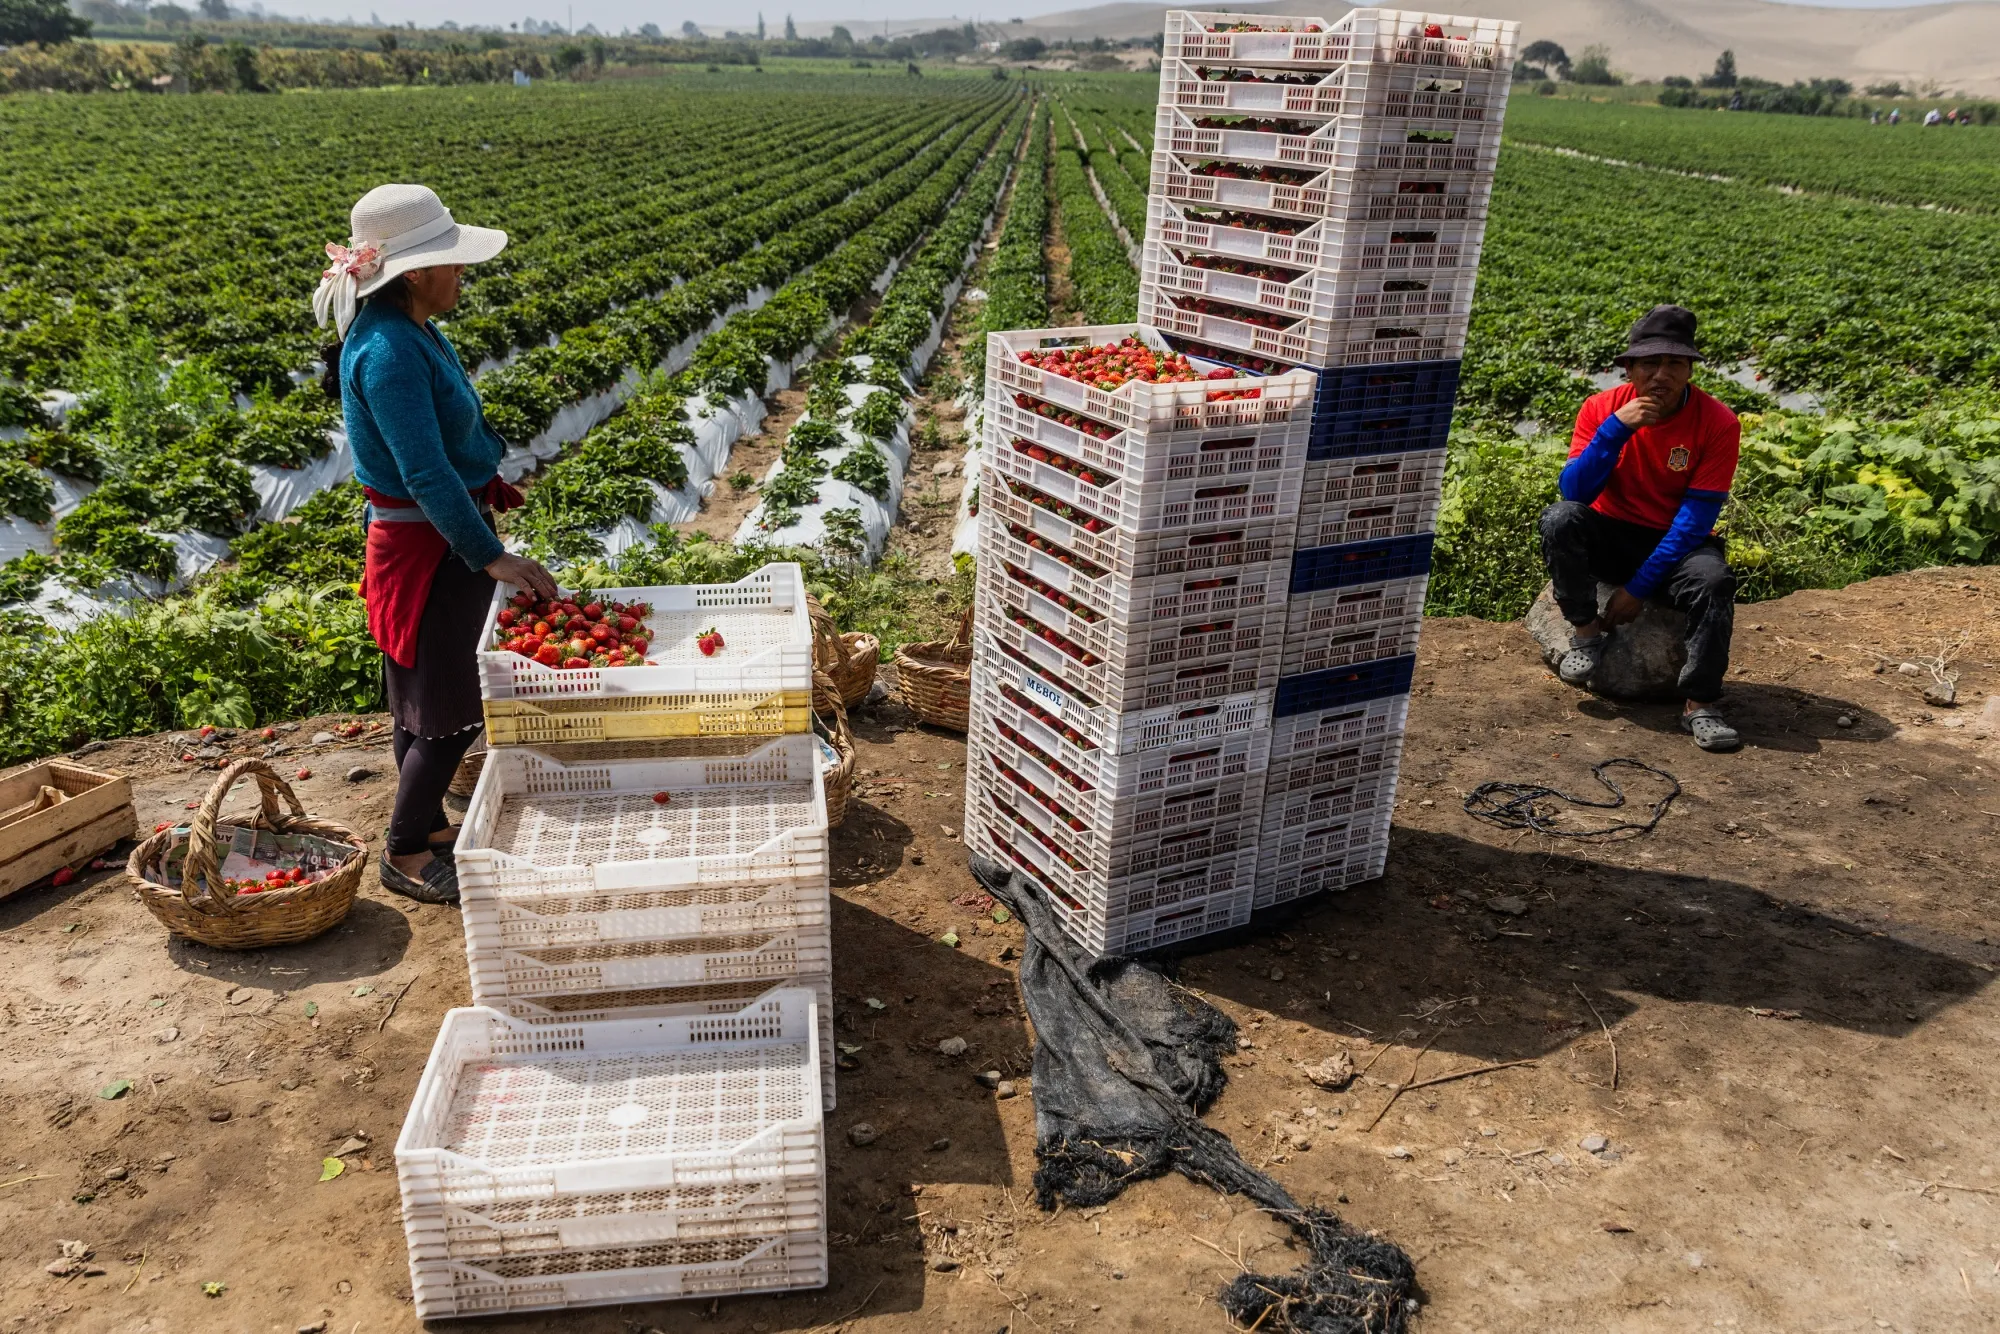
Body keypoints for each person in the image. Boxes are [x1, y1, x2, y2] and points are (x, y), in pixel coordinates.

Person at [312, 183, 558, 903]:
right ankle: (403, 850)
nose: (463, 274)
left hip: (438, 538)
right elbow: (424, 472)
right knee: (453, 711)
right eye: (452, 263)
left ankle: (429, 831)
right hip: (429, 550)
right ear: (414, 272)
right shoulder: (388, 350)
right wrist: (489, 554)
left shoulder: (410, 326)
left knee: (422, 703)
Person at [1538, 305, 1743, 752]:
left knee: (1714, 581)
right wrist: (1615, 431)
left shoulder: (1718, 423)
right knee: (1560, 519)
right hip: (1611, 531)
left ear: (1690, 369)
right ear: (1628, 368)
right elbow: (1574, 491)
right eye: (1650, 363)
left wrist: (1638, 588)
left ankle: (1700, 703)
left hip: (1677, 542)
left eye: (1675, 363)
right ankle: (1587, 635)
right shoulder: (1601, 408)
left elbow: (1695, 520)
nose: (1661, 375)